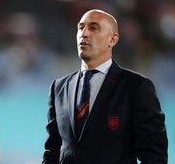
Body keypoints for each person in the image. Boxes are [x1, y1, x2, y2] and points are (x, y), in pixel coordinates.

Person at [42, 9, 168, 164]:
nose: (84, 33)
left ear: (113, 39)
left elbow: (154, 155)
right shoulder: (58, 88)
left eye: (94, 27)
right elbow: (52, 152)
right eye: (81, 27)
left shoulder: (136, 87)